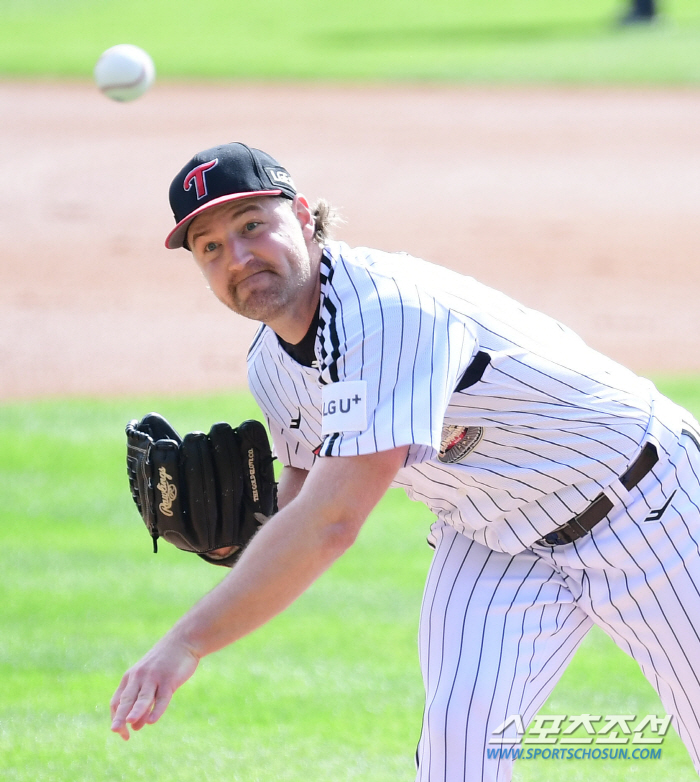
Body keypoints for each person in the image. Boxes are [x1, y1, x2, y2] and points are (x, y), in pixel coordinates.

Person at [110, 142, 700, 781]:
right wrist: (238, 544)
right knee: (457, 758)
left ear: (304, 217)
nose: (239, 257)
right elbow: (303, 497)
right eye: (212, 247)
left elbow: (332, 523)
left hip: (648, 503)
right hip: (493, 541)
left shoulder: (387, 313)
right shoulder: (271, 368)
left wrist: (186, 640)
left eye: (252, 226)